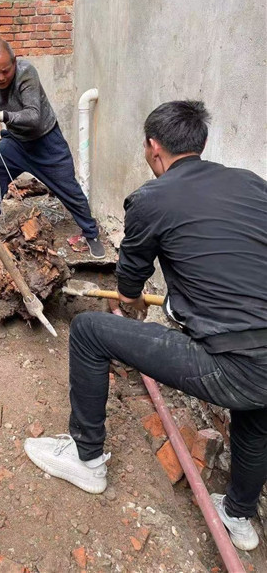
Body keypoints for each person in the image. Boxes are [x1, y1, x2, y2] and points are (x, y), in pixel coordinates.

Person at [24, 101, 267, 551]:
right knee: (255, 418)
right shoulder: (253, 184)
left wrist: (132, 303)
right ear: (201, 143)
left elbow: (130, 283)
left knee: (89, 332)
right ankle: (238, 517)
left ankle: (86, 458)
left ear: (154, 147)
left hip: (231, 364)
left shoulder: (151, 198)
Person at [0, 39, 105, 259]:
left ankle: (91, 233)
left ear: (14, 62)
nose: (1, 77)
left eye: (6, 71)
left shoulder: (26, 73)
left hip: (45, 140)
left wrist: (2, 116)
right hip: (16, 142)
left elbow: (33, 116)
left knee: (69, 189)